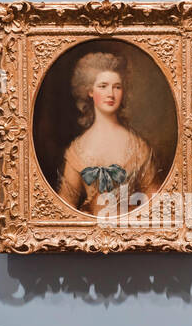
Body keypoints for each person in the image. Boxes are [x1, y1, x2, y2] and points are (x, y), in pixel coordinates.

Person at [56, 51, 159, 214]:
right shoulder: (77, 150)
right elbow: (64, 207)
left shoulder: (138, 146)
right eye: (103, 86)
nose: (110, 94)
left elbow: (155, 201)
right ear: (90, 91)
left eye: (117, 87)